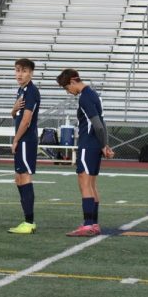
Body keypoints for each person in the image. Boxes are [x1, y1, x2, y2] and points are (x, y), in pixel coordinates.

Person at [56, 69, 115, 237]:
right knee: (92, 185)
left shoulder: (85, 97)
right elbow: (101, 123)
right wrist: (104, 144)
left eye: (67, 88)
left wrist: (103, 144)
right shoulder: (93, 94)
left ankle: (89, 224)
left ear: (73, 81)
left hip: (88, 144)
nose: (68, 92)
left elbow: (96, 124)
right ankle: (93, 223)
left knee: (85, 183)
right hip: (95, 144)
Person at [8, 58, 40, 234]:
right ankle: (26, 220)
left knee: (25, 177)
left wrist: (16, 140)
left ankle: (29, 222)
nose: (20, 74)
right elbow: (18, 116)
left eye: (24, 71)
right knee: (19, 178)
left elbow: (26, 120)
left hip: (26, 140)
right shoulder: (21, 91)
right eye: (17, 70)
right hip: (22, 140)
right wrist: (13, 110)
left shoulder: (31, 92)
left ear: (31, 73)